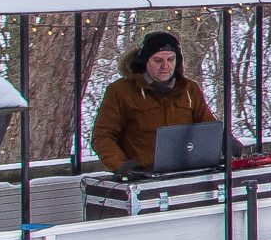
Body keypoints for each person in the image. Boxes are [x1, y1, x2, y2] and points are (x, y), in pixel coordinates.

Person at [91, 30, 217, 174]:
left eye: (171, 59)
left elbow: (209, 128)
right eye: (158, 60)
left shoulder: (189, 89)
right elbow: (103, 136)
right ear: (145, 61)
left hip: (186, 174)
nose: (165, 66)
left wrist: (225, 141)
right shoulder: (120, 91)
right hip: (143, 177)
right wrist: (120, 164)